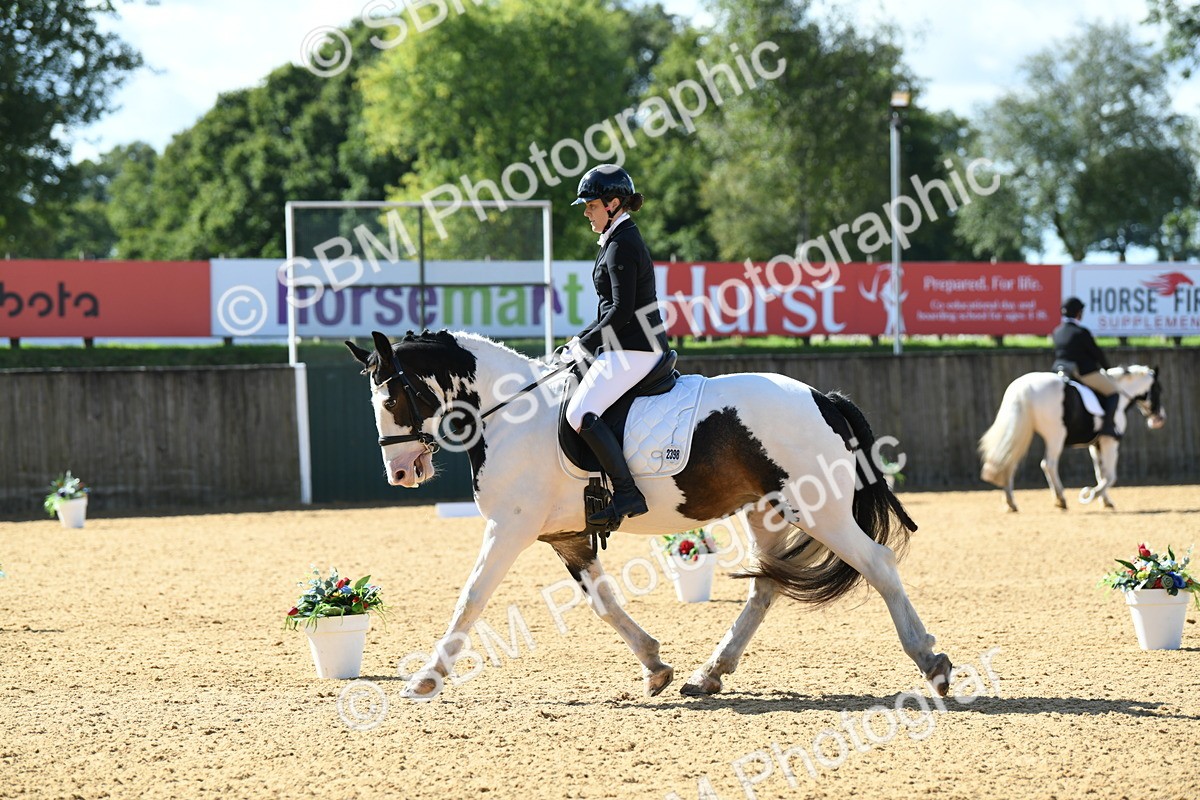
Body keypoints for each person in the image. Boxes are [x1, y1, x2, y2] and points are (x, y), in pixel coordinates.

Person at [560, 164, 669, 528]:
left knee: (579, 414)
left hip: (636, 348)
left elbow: (623, 312)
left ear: (613, 203)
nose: (586, 212)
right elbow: (609, 310)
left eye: (590, 205)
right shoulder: (616, 240)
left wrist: (587, 344)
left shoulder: (623, 244)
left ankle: (627, 492)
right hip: (623, 346)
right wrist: (579, 341)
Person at [1051, 296, 1121, 438]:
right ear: (1078, 313)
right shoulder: (1081, 332)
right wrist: (1107, 368)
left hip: (1059, 371)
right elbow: (1097, 354)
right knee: (1114, 392)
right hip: (1082, 372)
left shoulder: (1057, 332)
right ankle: (1107, 427)